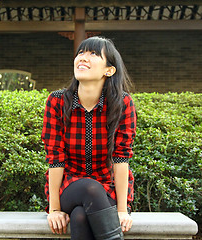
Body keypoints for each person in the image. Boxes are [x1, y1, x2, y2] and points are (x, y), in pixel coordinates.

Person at [41, 36, 137, 240]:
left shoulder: (122, 103)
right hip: (68, 187)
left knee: (80, 217)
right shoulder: (57, 101)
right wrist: (55, 209)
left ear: (109, 70)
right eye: (80, 53)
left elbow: (121, 158)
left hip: (108, 188)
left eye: (93, 54)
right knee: (88, 187)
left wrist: (122, 210)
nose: (83, 58)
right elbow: (55, 157)